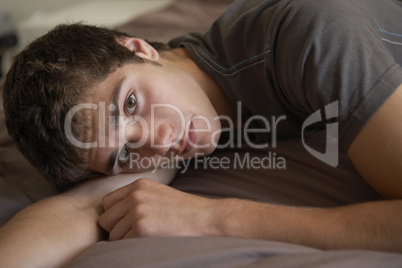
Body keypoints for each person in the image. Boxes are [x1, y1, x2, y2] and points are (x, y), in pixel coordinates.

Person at [1, 0, 402, 266]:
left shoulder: (314, 38)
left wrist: (215, 217)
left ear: (140, 48)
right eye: (124, 153)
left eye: (130, 104)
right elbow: (80, 210)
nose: (156, 141)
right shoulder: (178, 102)